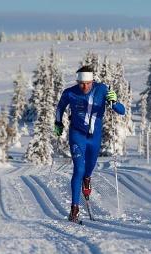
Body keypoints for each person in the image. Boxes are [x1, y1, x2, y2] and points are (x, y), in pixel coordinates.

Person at [54, 65, 125, 223]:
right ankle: (74, 209)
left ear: (93, 81)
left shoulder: (102, 90)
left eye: (88, 83)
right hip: (77, 136)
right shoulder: (70, 92)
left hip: (94, 138)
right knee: (78, 168)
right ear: (77, 81)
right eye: (81, 83)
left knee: (89, 168)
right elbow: (60, 108)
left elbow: (122, 111)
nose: (85, 86)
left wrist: (114, 102)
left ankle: (87, 178)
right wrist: (58, 123)